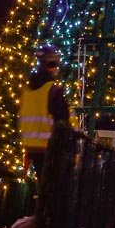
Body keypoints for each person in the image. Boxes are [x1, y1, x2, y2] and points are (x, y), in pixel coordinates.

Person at [18, 45, 71, 174]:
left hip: (31, 146)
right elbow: (62, 119)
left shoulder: (27, 89)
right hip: (49, 147)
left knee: (43, 183)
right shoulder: (52, 89)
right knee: (52, 187)